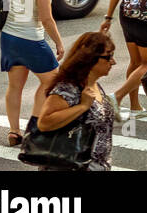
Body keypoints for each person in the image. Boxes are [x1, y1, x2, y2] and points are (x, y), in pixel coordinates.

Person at [0, 0, 64, 147]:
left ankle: (13, 131)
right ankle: (35, 127)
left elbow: (1, 2)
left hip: (9, 38)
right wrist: (59, 43)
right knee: (53, 81)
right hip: (31, 41)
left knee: (15, 86)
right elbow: (47, 20)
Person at [36, 32, 117, 171]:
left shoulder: (94, 86)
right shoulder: (68, 89)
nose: (113, 61)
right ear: (90, 59)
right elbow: (44, 122)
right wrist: (83, 106)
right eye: (108, 57)